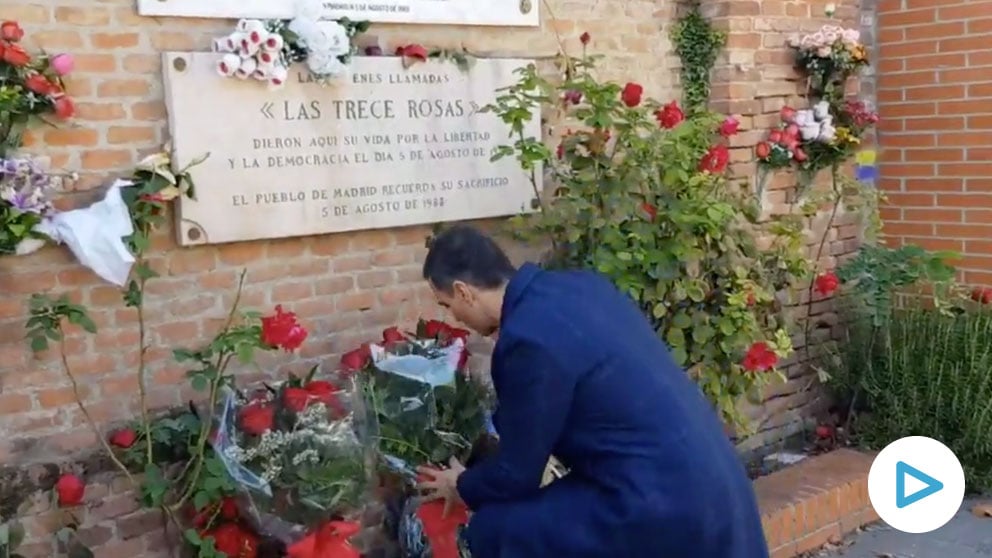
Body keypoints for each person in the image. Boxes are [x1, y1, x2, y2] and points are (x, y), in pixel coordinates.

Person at [416, 224, 769, 558]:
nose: (454, 318)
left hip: (657, 505)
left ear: (465, 291)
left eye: (448, 306)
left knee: (494, 530)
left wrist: (462, 486)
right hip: (718, 487)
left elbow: (516, 476)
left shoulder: (526, 339)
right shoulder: (580, 287)